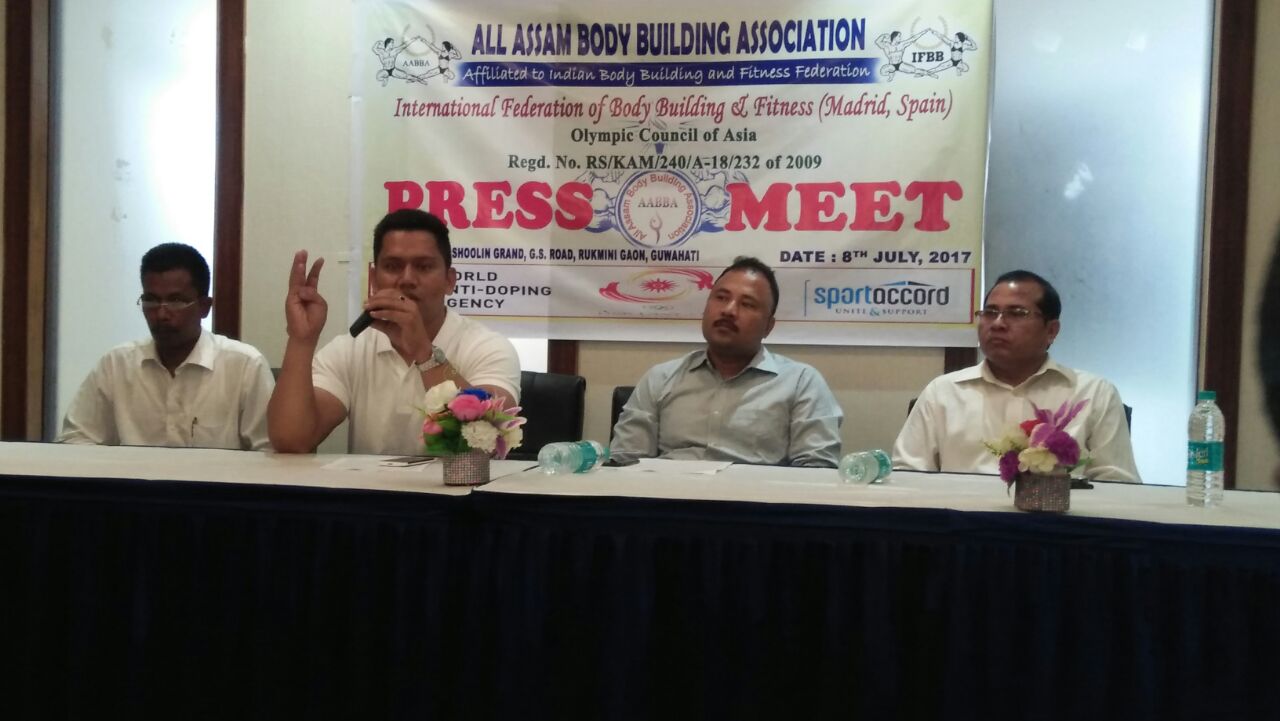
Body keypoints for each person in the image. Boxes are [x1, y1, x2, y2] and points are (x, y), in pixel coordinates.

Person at [268, 209, 520, 455]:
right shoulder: (350, 348)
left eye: (424, 267)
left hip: (456, 484)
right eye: (392, 266)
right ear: (374, 279)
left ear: (449, 281)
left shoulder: (487, 347)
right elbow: (292, 440)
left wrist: (424, 353)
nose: (407, 279)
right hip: (368, 485)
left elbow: (489, 437)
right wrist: (302, 341)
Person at [893, 270, 1140, 481]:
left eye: (1016, 313)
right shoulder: (943, 391)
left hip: (1057, 520)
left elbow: (1117, 484)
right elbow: (907, 475)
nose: (998, 323)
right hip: (959, 520)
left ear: (1051, 330)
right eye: (990, 312)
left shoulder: (1093, 393)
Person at [610, 256, 843, 467]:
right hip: (667, 498)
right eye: (721, 298)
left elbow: (817, 471)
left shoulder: (801, 383)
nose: (729, 310)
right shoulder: (660, 378)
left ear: (768, 326)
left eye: (747, 304)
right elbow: (625, 462)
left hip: (756, 500)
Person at [58, 243, 273, 449]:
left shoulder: (245, 366)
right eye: (151, 301)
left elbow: (268, 453)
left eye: (176, 301)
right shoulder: (116, 364)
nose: (161, 314)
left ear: (204, 307)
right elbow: (75, 439)